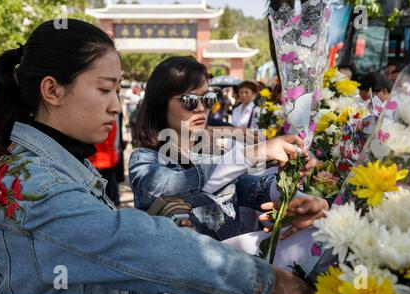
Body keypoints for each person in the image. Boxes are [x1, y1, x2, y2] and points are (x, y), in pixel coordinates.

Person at [0, 19, 311, 294]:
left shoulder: (52, 165)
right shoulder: (36, 183)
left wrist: (288, 193)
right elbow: (137, 243)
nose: (116, 107)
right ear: (53, 91)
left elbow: (244, 186)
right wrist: (264, 281)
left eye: (207, 99)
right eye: (105, 90)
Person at [128, 56, 317, 241]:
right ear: (161, 104)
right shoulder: (144, 159)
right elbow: (167, 186)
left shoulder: (211, 152)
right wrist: (252, 153)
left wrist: (293, 187)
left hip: (228, 263)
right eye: (190, 100)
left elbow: (250, 187)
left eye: (208, 99)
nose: (202, 108)